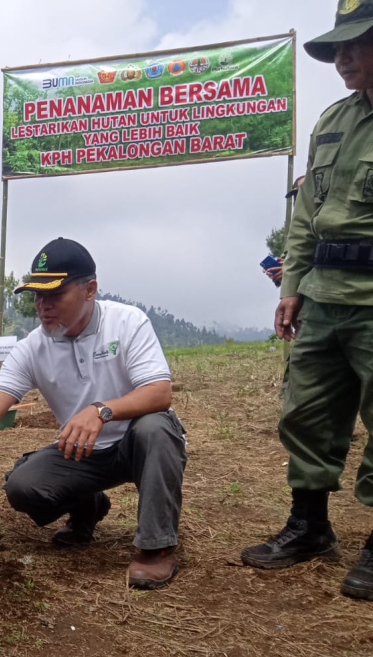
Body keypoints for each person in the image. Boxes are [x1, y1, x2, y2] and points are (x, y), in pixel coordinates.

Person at [0, 238, 187, 589]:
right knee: (23, 486)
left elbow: (159, 392)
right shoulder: (34, 347)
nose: (43, 305)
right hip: (84, 452)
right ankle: (88, 506)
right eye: (37, 295)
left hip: (138, 445)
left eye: (54, 294)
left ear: (90, 290)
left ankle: (156, 548)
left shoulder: (127, 322)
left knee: (156, 429)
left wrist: (102, 410)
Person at [241, 1, 373, 601]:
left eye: (355, 44)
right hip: (322, 295)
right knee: (306, 412)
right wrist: (292, 286)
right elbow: (304, 217)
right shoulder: (332, 120)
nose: (341, 58)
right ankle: (309, 526)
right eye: (336, 48)